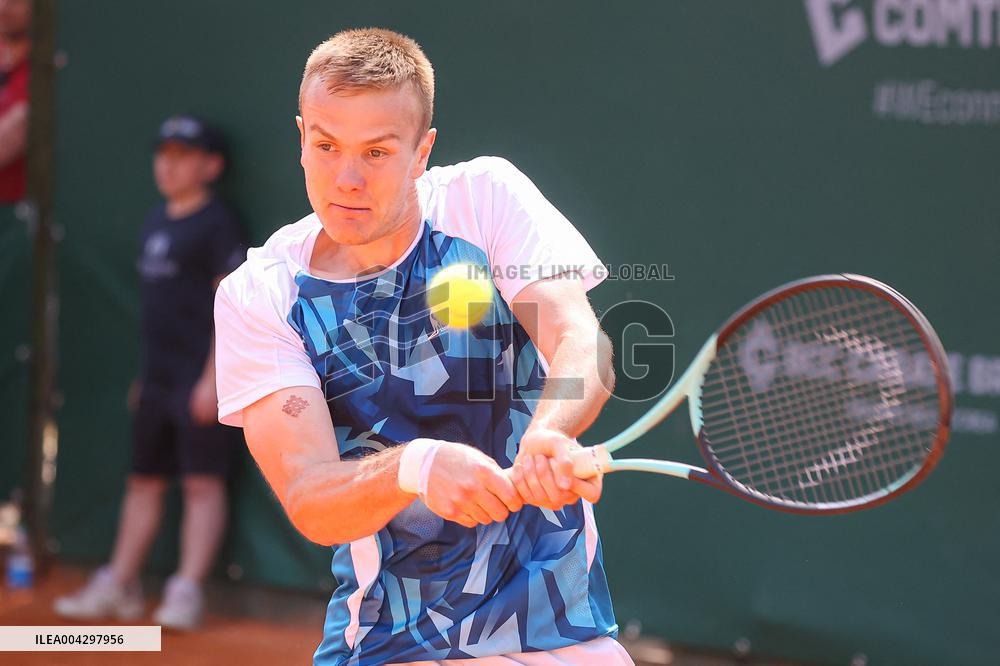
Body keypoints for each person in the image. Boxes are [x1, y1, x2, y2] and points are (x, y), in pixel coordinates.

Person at [214, 29, 633, 665]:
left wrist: (548, 432)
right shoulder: (260, 294)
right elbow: (309, 496)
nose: (347, 178)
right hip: (390, 644)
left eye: (377, 152)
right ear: (301, 137)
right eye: (326, 146)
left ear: (422, 152)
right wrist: (418, 467)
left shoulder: (484, 198)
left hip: (554, 633)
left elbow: (582, 341)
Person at [54, 116, 246, 630]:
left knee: (203, 485)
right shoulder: (156, 221)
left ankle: (186, 590)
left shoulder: (218, 224)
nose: (168, 164)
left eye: (184, 155)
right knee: (143, 482)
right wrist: (148, 377)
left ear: (211, 166)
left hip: (202, 380)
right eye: (164, 153)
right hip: (157, 381)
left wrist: (214, 378)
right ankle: (120, 583)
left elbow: (231, 307)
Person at [0, 0, 30, 203]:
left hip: (15, 210)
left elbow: (11, 138)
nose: (3, 7)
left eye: (15, 1)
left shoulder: (45, 64)